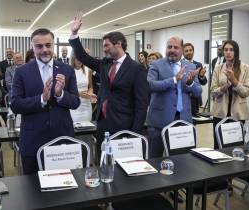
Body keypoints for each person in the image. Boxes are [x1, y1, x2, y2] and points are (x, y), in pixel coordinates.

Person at [69, 12, 149, 161]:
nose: (104, 49)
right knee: (102, 160)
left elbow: (142, 104)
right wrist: (74, 34)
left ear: (118, 44)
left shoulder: (136, 69)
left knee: (121, 164)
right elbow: (83, 56)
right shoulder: (105, 64)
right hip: (102, 122)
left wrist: (135, 134)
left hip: (124, 125)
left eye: (106, 45)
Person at [10, 28, 80, 174]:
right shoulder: (21, 71)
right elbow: (15, 104)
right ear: (32, 47)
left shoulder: (67, 69)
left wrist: (61, 95)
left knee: (67, 190)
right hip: (32, 141)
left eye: (48, 45)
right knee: (33, 191)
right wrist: (41, 99)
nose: (44, 50)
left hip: (62, 139)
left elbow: (75, 102)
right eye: (39, 46)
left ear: (53, 45)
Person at [146, 36, 202, 158]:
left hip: (183, 120)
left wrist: (190, 83)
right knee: (154, 159)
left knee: (183, 160)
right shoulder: (156, 64)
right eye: (169, 47)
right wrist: (174, 80)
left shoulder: (190, 67)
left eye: (175, 47)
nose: (172, 50)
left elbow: (198, 92)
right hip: (159, 121)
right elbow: (150, 85)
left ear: (182, 50)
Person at [210, 40, 249, 149]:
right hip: (220, 114)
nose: (228, 52)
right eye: (226, 50)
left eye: (231, 50)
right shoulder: (218, 69)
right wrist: (223, 88)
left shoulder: (247, 69)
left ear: (236, 52)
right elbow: (213, 92)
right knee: (219, 147)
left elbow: (246, 92)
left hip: (239, 114)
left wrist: (234, 81)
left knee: (236, 147)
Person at [69, 52, 96, 123]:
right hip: (74, 106)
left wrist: (90, 93)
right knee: (75, 129)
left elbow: (90, 86)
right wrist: (78, 94)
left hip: (86, 106)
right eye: (77, 58)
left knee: (87, 129)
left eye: (81, 58)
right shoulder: (68, 70)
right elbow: (66, 89)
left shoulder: (88, 70)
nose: (79, 61)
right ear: (73, 58)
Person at [183, 43, 207, 116]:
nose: (189, 52)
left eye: (190, 50)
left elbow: (204, 82)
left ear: (193, 51)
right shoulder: (179, 64)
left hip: (195, 99)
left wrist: (201, 76)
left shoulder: (198, 65)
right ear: (183, 53)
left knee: (193, 124)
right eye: (186, 51)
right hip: (184, 98)